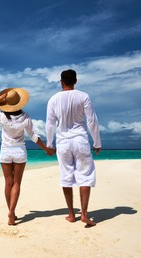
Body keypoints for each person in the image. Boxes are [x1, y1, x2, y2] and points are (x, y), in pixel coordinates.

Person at [0, 88, 55, 226]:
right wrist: (46, 149)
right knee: (16, 184)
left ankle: (11, 212)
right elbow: (33, 136)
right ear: (19, 103)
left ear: (6, 103)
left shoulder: (1, 116)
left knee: (8, 183)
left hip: (5, 151)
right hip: (19, 151)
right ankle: (12, 211)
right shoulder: (25, 117)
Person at [46, 69, 101, 227]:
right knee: (85, 176)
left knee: (66, 176)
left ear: (61, 82)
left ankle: (71, 215)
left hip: (62, 142)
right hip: (80, 140)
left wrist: (49, 144)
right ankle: (84, 214)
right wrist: (97, 142)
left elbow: (50, 124)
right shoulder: (83, 96)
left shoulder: (54, 99)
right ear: (75, 81)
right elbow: (92, 120)